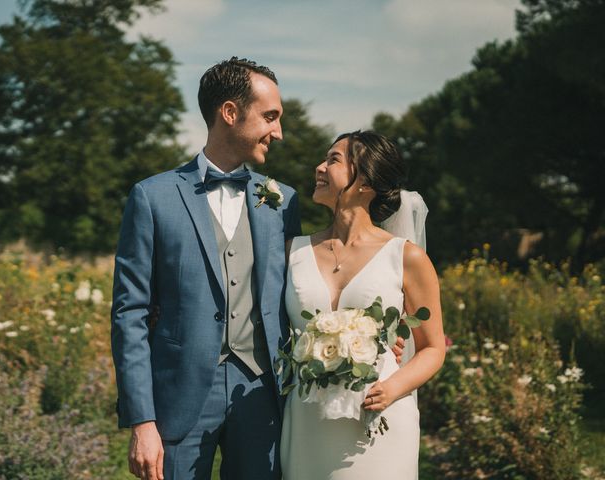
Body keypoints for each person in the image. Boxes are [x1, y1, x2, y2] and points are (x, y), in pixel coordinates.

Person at [111, 57, 300, 480]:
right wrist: (143, 421)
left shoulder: (282, 202)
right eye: (270, 117)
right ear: (230, 113)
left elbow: (303, 291)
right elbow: (130, 314)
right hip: (178, 400)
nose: (279, 132)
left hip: (263, 397)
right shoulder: (152, 197)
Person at [280, 130, 446, 479]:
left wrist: (392, 388)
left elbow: (433, 348)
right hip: (308, 420)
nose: (319, 167)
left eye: (333, 160)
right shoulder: (291, 251)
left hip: (378, 416)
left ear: (366, 182)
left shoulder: (406, 258)